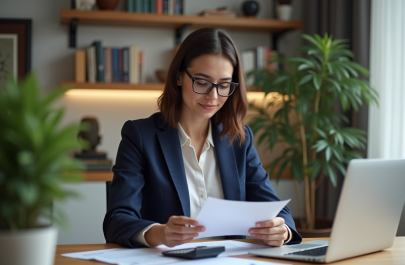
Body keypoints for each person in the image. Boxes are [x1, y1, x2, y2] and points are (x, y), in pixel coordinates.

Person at [103, 27, 302, 248]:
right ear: (179, 77)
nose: (213, 96)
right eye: (202, 82)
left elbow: (276, 209)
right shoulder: (140, 136)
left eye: (224, 85)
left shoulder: (239, 139)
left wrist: (282, 231)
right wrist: (159, 233)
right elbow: (116, 220)